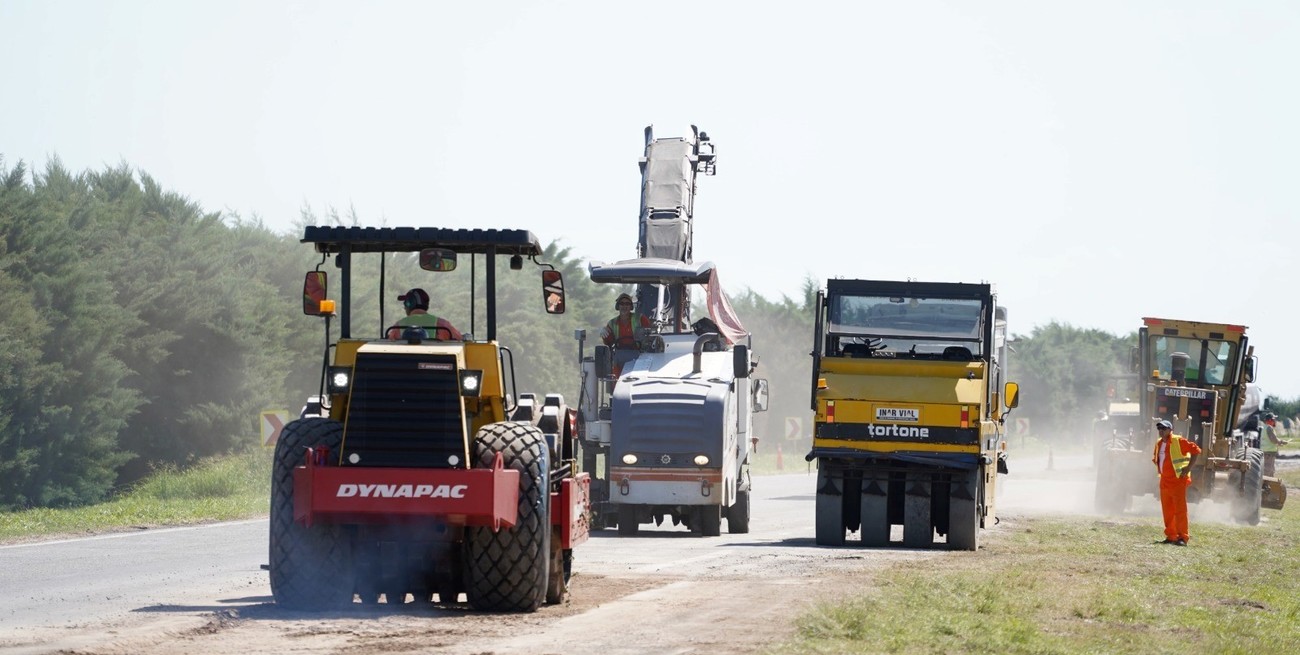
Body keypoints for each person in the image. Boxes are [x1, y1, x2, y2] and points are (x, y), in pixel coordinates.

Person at [1151, 419, 1201, 546]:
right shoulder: (1159, 443)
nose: (1161, 431)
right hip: (1164, 481)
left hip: (1178, 481)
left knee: (1180, 510)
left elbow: (1196, 450)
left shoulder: (1178, 441)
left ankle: (1182, 537)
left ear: (1170, 430)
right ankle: (1171, 536)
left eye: (1164, 428)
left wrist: (1188, 468)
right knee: (1167, 511)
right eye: (1159, 429)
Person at [600, 293, 652, 377]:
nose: (624, 306)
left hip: (639, 355)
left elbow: (650, 335)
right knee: (616, 378)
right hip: (619, 357)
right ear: (618, 306)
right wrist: (604, 333)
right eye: (622, 303)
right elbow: (608, 342)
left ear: (631, 306)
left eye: (627, 304)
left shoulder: (640, 319)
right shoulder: (612, 323)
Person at [388, 288, 463, 340]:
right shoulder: (443, 325)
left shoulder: (398, 326)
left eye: (405, 303)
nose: (404, 307)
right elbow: (459, 339)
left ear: (409, 304)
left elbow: (390, 343)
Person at [1260, 413, 1289, 477]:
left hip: (1266, 452)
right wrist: (1281, 442)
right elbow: (1273, 440)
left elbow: (1270, 440)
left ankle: (1268, 482)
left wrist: (1279, 443)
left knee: (1270, 469)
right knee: (1268, 470)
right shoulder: (1269, 428)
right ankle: (1266, 482)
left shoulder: (1265, 427)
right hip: (1269, 453)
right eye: (1274, 419)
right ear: (1270, 420)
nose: (1275, 421)